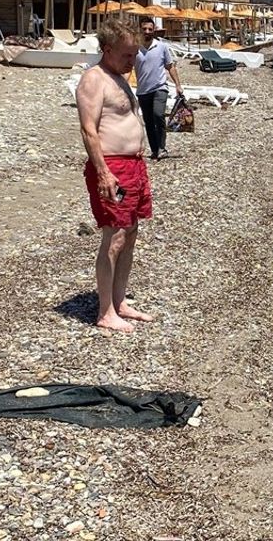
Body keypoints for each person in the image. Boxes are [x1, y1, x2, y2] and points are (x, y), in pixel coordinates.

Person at [75, 18, 156, 333]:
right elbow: (88, 130)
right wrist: (104, 173)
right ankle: (105, 311)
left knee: (131, 231)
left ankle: (119, 301)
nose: (131, 60)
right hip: (114, 168)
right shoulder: (94, 79)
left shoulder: (118, 76)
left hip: (133, 166)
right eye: (126, 55)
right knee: (115, 235)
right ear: (107, 50)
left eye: (134, 54)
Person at [133, 19, 184, 160]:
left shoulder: (161, 47)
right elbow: (126, 67)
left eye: (150, 29)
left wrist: (178, 85)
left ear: (154, 30)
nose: (147, 32)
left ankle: (162, 147)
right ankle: (155, 150)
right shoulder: (135, 48)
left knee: (158, 115)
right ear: (140, 29)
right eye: (144, 29)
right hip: (143, 91)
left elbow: (170, 66)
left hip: (160, 87)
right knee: (148, 122)